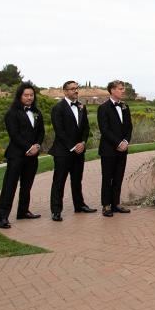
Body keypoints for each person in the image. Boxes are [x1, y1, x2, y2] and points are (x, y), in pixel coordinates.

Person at [0, 82, 44, 229]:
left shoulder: (37, 112)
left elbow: (41, 132)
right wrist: (28, 147)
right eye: (26, 95)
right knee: (9, 186)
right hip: (16, 155)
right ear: (20, 96)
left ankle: (23, 211)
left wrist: (37, 146)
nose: (29, 98)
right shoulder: (12, 113)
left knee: (26, 186)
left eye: (31, 95)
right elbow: (14, 134)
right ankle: (2, 217)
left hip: (32, 156)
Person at [49, 81, 96, 221]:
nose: (76, 91)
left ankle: (79, 205)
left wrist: (82, 142)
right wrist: (73, 146)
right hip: (63, 152)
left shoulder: (82, 107)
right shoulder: (58, 108)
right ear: (65, 92)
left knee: (77, 180)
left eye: (77, 88)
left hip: (79, 151)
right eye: (72, 89)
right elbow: (59, 130)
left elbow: (86, 128)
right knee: (59, 181)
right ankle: (56, 210)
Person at [97, 80, 133, 217]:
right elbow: (104, 130)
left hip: (123, 149)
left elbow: (129, 127)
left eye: (123, 88)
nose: (123, 90)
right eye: (120, 88)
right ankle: (106, 205)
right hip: (108, 149)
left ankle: (116, 204)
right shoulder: (103, 108)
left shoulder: (125, 106)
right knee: (107, 178)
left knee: (118, 177)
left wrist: (125, 141)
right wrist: (118, 143)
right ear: (112, 90)